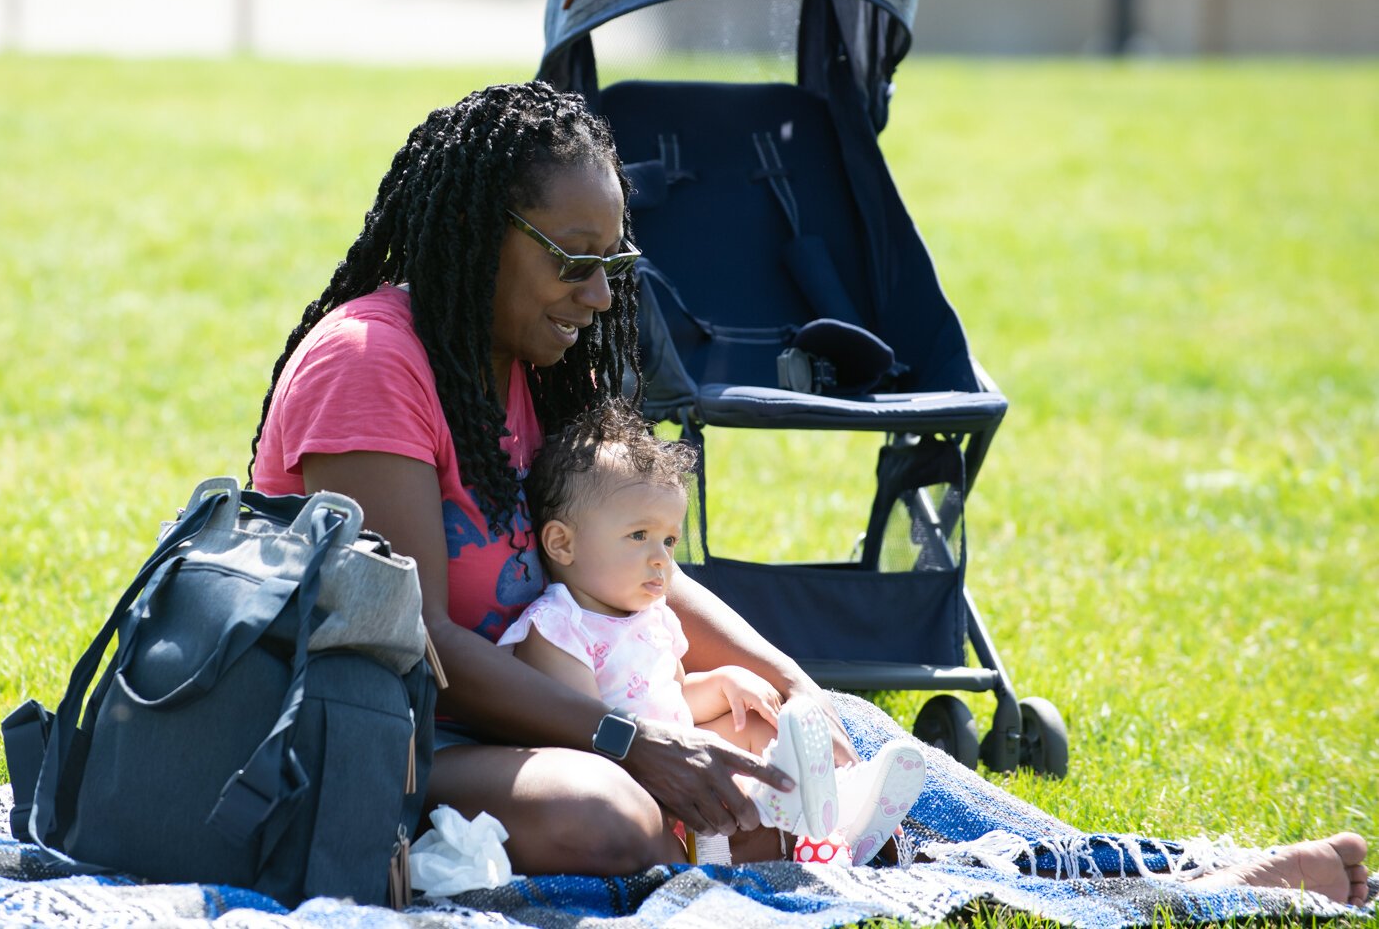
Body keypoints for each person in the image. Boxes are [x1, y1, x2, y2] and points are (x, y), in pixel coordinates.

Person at [246, 80, 1368, 904]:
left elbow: (628, 561)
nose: (597, 297)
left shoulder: (520, 367)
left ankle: (1161, 875)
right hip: (375, 743)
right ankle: (1130, 886)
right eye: (571, 260)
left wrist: (794, 688)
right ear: (476, 238)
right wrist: (640, 742)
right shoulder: (371, 364)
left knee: (832, 742)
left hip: (541, 721)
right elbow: (421, 643)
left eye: (615, 268)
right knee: (615, 815)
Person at [497, 396, 927, 866]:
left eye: (668, 539)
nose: (661, 558)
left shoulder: (652, 615)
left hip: (681, 757)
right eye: (639, 536)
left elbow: (676, 696)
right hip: (635, 778)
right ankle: (799, 823)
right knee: (725, 782)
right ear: (563, 543)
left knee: (759, 719)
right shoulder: (558, 627)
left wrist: (723, 684)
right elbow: (586, 734)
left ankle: (832, 813)